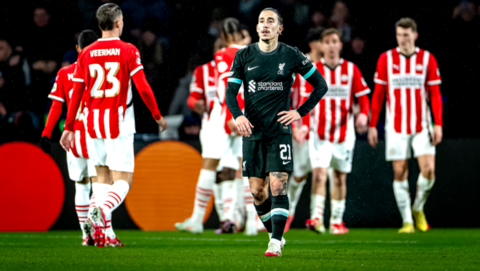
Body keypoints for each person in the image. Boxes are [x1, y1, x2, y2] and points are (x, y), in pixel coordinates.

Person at [60, 3, 167, 247]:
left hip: (91, 123)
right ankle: (100, 210)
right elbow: (142, 86)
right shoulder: (128, 49)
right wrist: (157, 115)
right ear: (118, 22)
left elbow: (76, 93)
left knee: (101, 178)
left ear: (100, 25)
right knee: (123, 181)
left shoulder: (85, 53)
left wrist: (68, 127)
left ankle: (105, 235)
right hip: (117, 123)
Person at [225, 8, 328, 257]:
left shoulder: (291, 55)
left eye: (270, 21)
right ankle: (276, 235)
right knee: (258, 191)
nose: (265, 25)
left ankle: (274, 242)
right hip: (253, 131)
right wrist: (237, 115)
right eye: (261, 20)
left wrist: (299, 112)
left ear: (279, 28)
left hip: (280, 131)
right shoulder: (243, 55)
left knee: (277, 186)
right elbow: (230, 93)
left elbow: (320, 85)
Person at [175, 18, 251, 235]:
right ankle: (240, 220)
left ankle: (198, 220)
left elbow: (229, 86)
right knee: (240, 168)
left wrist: (231, 115)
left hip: (225, 115)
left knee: (211, 165)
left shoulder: (224, 55)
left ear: (225, 37)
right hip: (247, 115)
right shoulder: (253, 54)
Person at [368, 18, 443, 233]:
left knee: (429, 170)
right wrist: (373, 125)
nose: (403, 39)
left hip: (422, 125)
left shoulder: (427, 58)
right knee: (400, 172)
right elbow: (379, 95)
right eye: (400, 35)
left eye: (407, 35)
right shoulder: (386, 59)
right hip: (396, 127)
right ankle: (408, 220)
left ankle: (418, 208)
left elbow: (435, 95)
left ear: (415, 35)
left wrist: (438, 124)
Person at [298, 28, 370, 235]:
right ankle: (317, 218)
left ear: (340, 45)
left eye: (334, 41)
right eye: (326, 42)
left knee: (339, 177)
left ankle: (337, 221)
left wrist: (363, 114)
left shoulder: (351, 69)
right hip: (319, 134)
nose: (330, 45)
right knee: (320, 175)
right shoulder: (313, 70)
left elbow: (363, 97)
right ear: (321, 46)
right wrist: (303, 125)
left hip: (344, 135)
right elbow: (304, 102)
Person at [40, 30, 106, 246]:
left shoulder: (65, 73)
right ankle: (102, 231)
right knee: (101, 185)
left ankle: (86, 235)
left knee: (82, 186)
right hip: (99, 134)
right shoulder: (103, 71)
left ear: (77, 48)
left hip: (75, 136)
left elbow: (56, 106)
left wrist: (46, 133)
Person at [284, 26, 324, 232]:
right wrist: (293, 125)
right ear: (314, 44)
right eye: (323, 41)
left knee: (322, 173)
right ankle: (287, 215)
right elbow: (285, 97)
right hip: (302, 130)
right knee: (299, 175)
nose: (327, 46)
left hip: (326, 131)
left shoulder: (332, 67)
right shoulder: (298, 64)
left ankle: (317, 218)